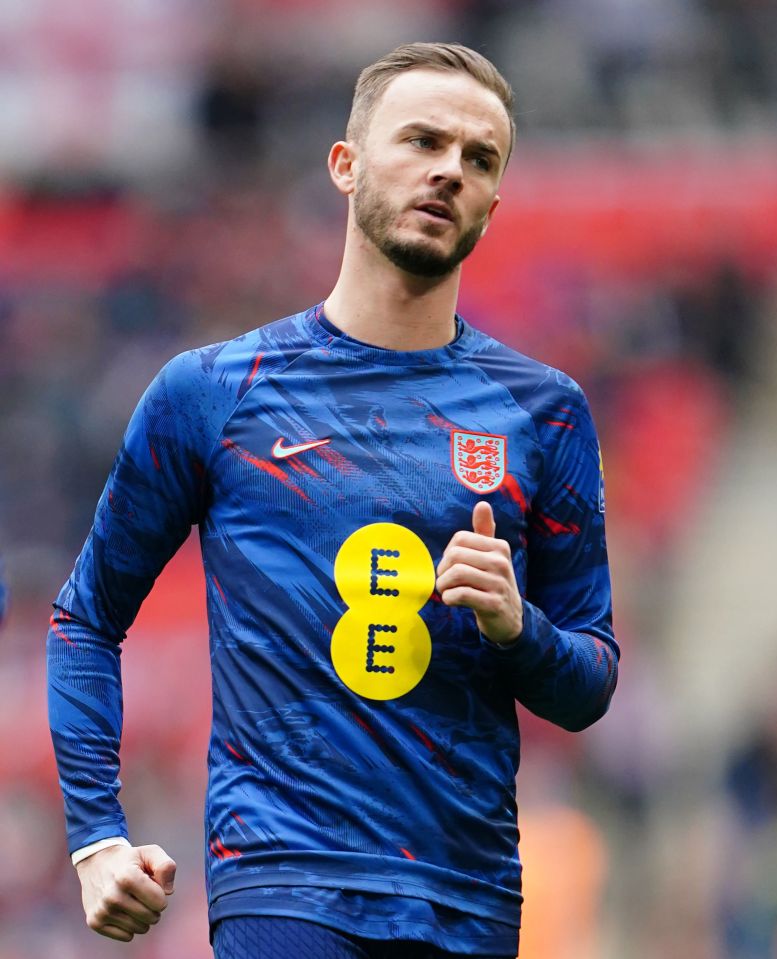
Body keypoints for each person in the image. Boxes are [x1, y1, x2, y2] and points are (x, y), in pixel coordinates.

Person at [47, 42, 618, 959]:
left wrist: (520, 627)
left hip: (470, 894)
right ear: (345, 167)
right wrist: (95, 834)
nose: (449, 171)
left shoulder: (543, 413)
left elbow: (590, 679)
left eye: (480, 159)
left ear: (495, 203)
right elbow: (87, 618)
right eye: (423, 140)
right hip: (285, 877)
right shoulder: (214, 392)